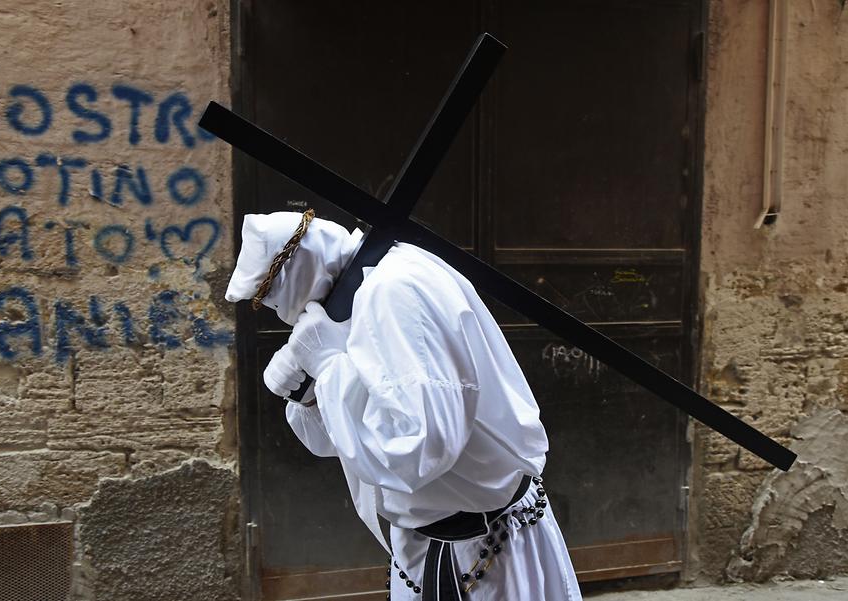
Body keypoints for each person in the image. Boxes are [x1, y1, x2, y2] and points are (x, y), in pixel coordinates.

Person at [225, 210, 582, 601]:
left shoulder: (394, 290)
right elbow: (346, 436)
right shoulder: (367, 289)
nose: (282, 316)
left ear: (296, 275)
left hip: (485, 548)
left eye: (275, 300)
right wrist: (311, 394)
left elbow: (420, 447)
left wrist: (328, 368)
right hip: (431, 544)